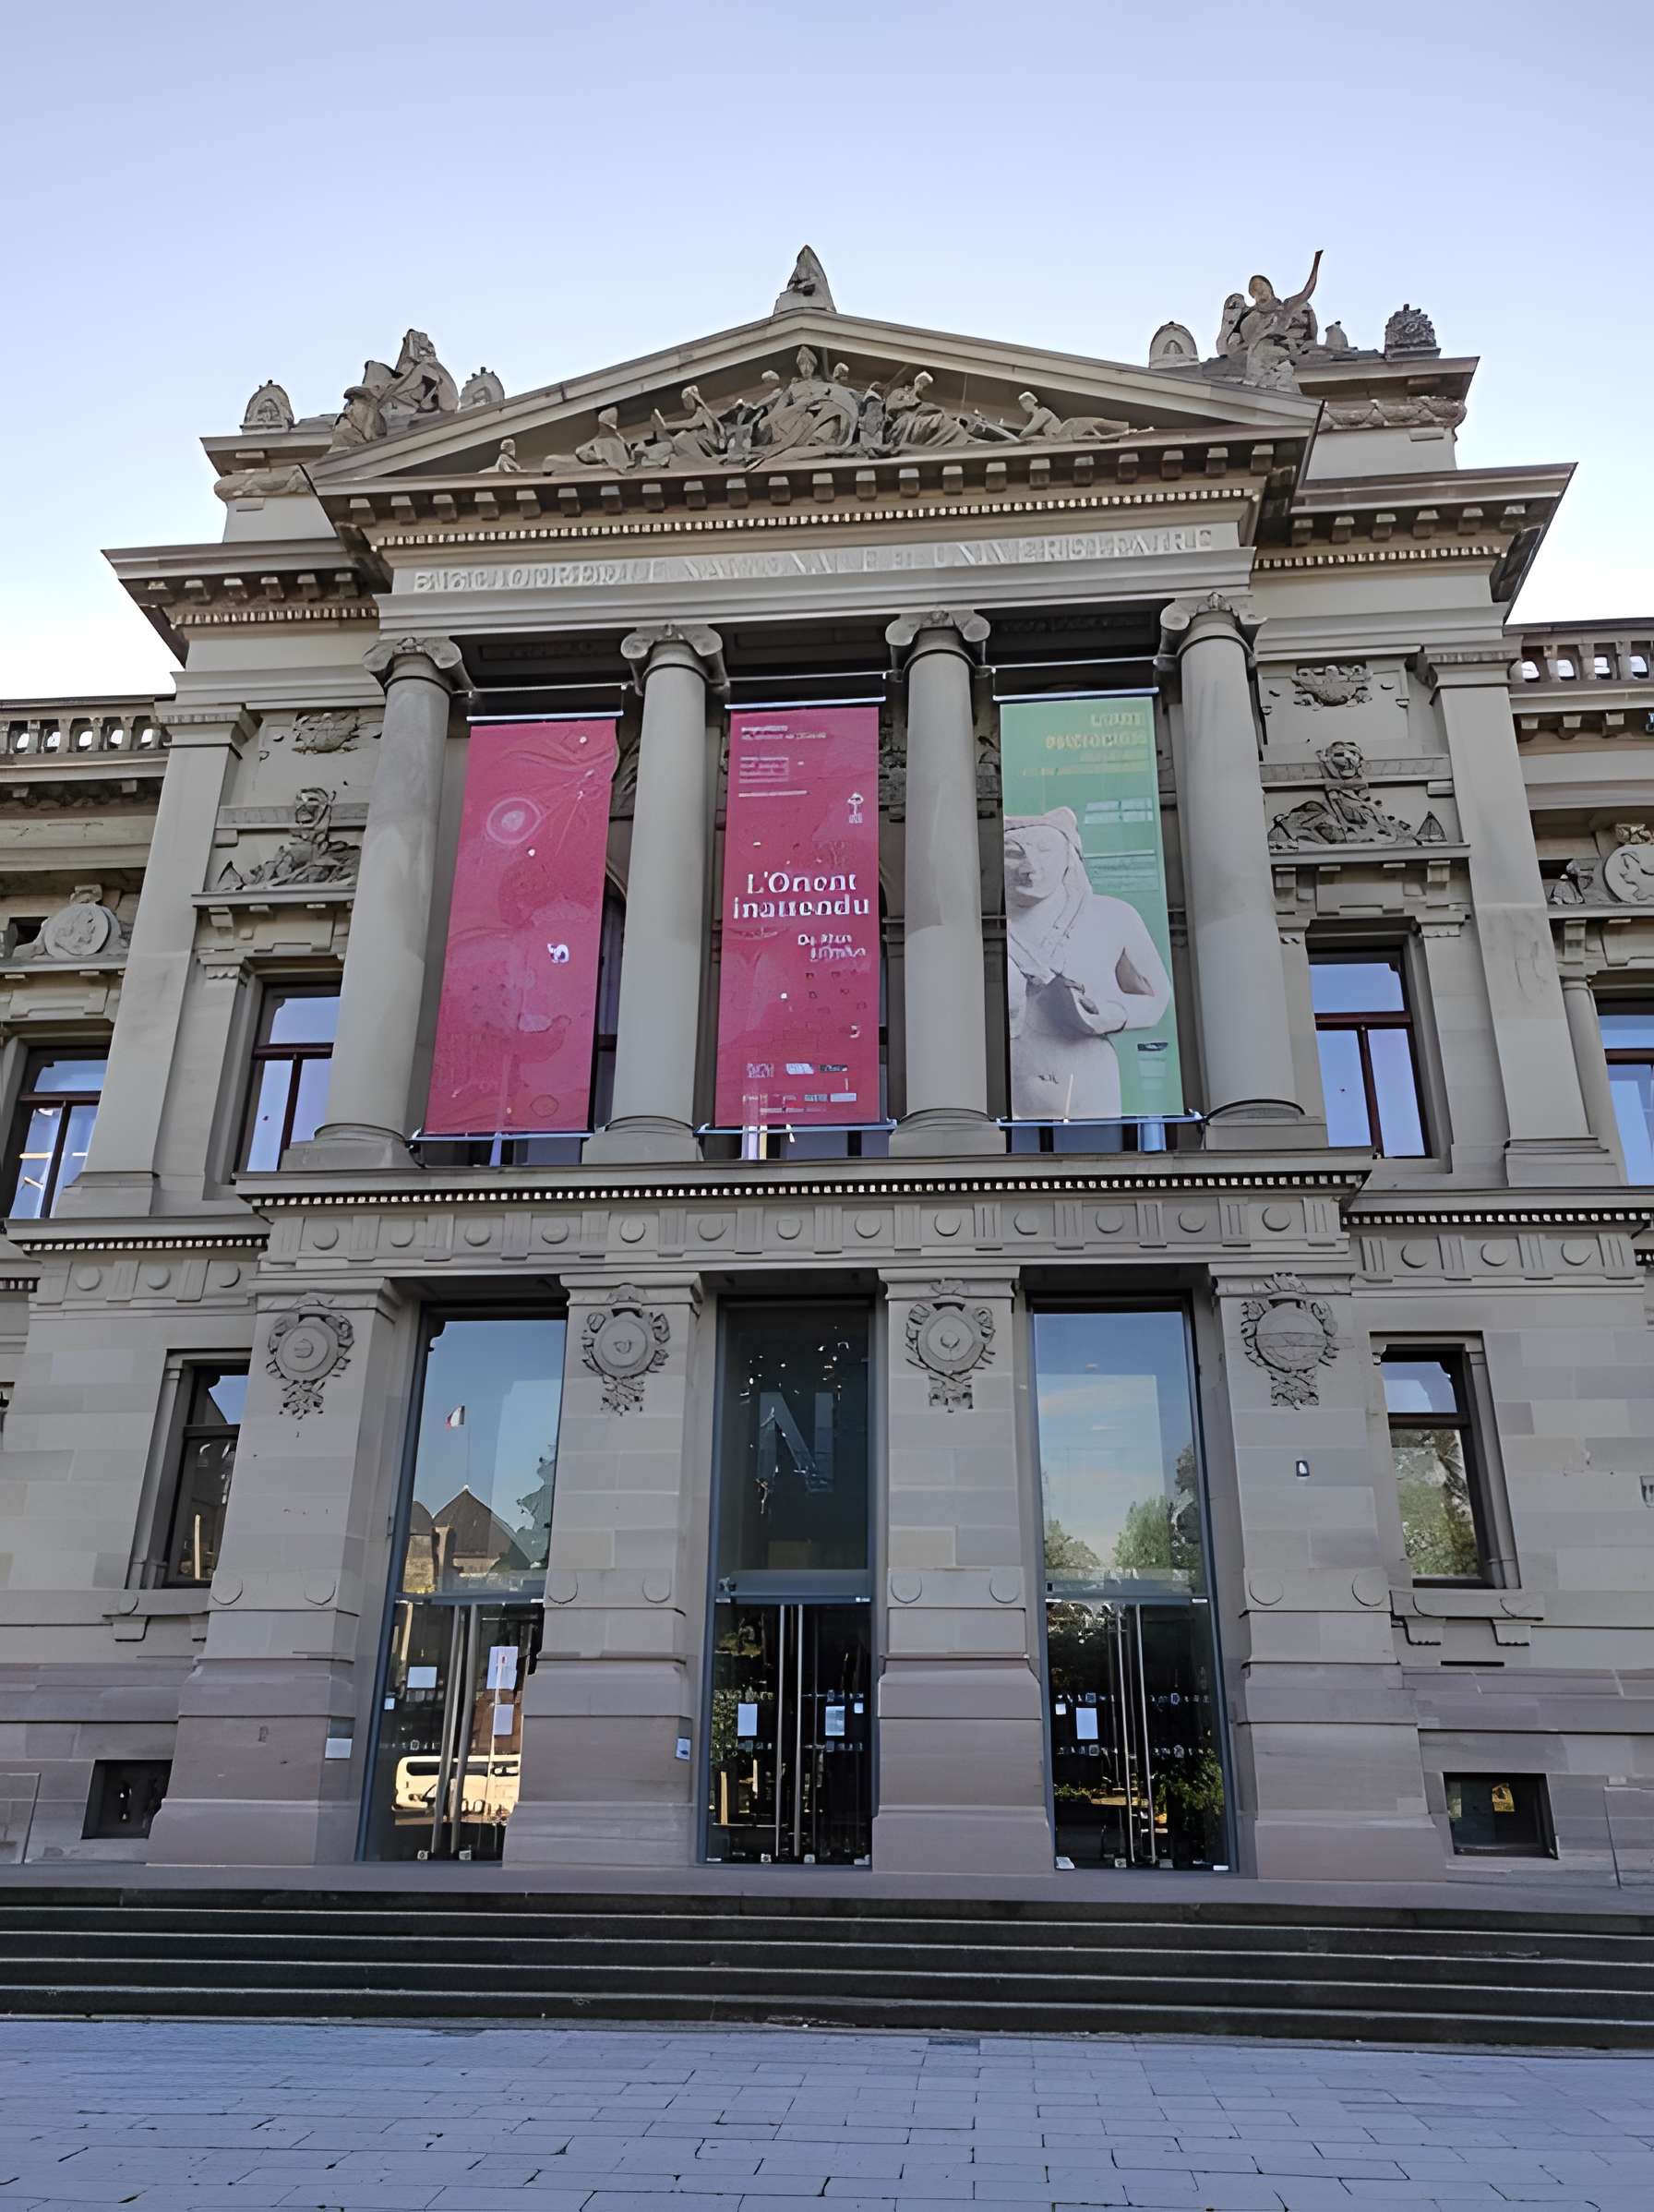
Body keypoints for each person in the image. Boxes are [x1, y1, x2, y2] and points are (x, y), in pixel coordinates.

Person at [1003, 808, 1171, 1120]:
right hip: (1014, 1085)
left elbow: (1157, 995)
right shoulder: (986, 929)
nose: (1030, 868)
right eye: (1013, 854)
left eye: (1045, 851)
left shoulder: (1113, 915)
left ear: (1069, 855)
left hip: (1089, 1080)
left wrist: (1113, 1013)